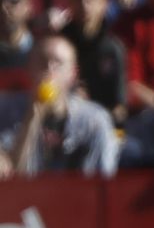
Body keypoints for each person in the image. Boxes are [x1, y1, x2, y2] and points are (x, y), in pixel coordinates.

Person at [0, 35, 117, 177]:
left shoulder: (94, 120)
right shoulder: (5, 111)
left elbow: (103, 181)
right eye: (42, 61)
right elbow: (14, 175)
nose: (49, 70)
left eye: (58, 63)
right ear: (28, 69)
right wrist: (32, 117)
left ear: (73, 75)